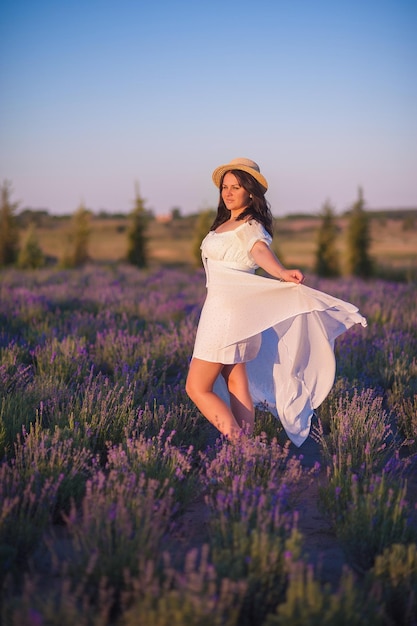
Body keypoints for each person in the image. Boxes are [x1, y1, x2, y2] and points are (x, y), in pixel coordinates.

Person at [185, 158, 367, 446]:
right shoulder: (227, 223)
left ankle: (242, 447)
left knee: (196, 387)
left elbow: (259, 250)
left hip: (227, 314)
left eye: (236, 187)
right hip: (230, 310)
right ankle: (246, 449)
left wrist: (281, 272)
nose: (228, 192)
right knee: (235, 379)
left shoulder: (250, 225)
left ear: (251, 193)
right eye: (225, 187)